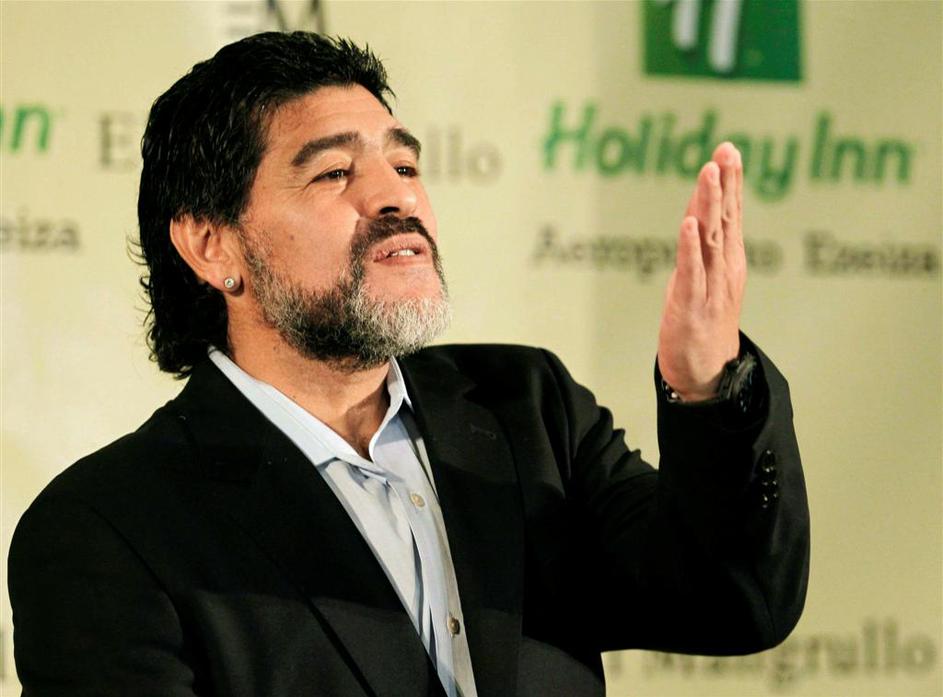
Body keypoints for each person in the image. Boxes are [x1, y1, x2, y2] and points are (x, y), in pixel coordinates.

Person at [8, 32, 809, 697]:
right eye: (333, 172)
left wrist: (707, 386)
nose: (396, 197)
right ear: (212, 245)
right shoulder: (104, 531)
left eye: (404, 166)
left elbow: (734, 598)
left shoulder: (525, 411)